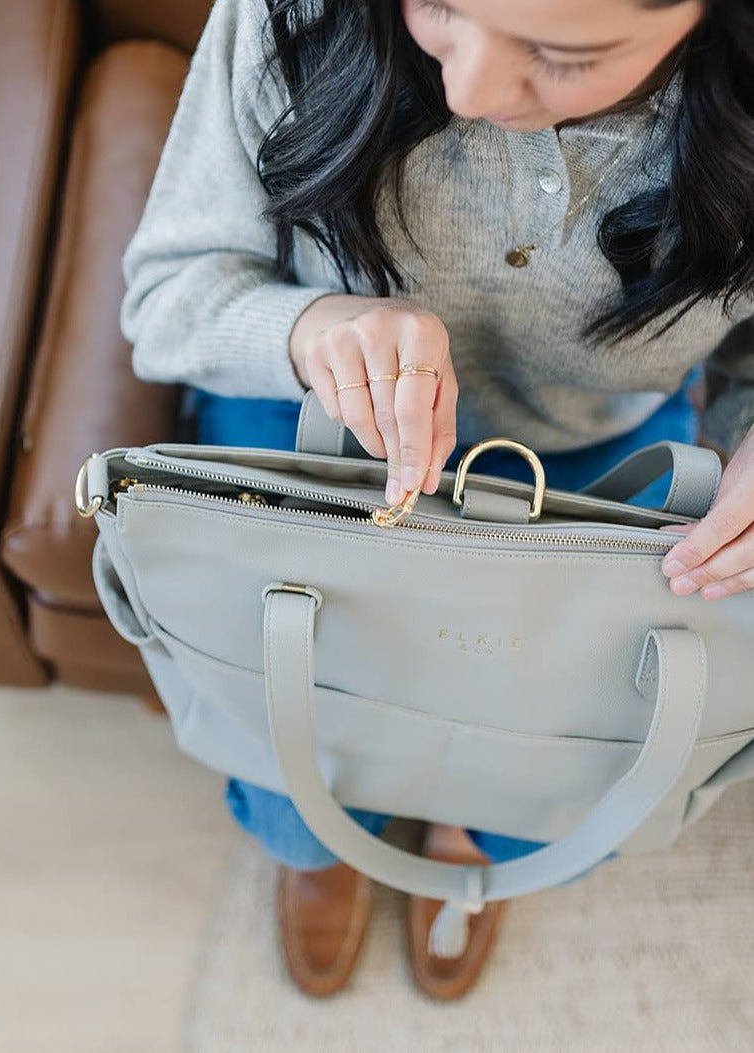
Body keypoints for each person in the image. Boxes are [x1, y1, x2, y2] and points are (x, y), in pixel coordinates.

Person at [121, 0, 754, 1001]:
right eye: (441, 8)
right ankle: (319, 840)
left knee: (554, 747)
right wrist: (307, 328)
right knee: (302, 713)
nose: (471, 91)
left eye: (560, 54)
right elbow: (165, 299)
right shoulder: (292, 17)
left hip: (607, 457)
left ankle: (474, 830)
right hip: (306, 437)